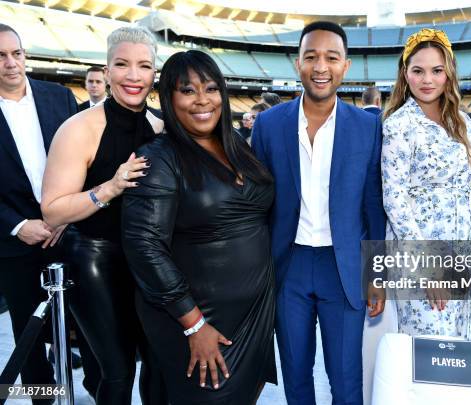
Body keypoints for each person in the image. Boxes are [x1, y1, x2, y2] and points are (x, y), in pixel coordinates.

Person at [122, 50, 276, 404]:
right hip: (199, 321)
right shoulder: (159, 158)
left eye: (210, 88)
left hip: (251, 319)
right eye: (187, 91)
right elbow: (144, 248)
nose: (202, 100)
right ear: (169, 99)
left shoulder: (237, 145)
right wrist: (194, 324)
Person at [251, 21, 386, 405]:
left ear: (345, 66)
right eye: (311, 57)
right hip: (287, 266)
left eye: (331, 57)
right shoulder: (268, 124)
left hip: (343, 269)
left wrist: (375, 274)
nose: (320, 66)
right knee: (295, 375)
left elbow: (373, 206)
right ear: (298, 64)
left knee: (345, 380)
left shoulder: (367, 127)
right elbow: (258, 205)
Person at [41, 27, 165, 404]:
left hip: (148, 261)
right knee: (118, 370)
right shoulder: (78, 129)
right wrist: (108, 189)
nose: (133, 75)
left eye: (143, 66)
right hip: (94, 259)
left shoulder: (161, 127)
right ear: (106, 71)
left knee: (160, 366)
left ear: (154, 74)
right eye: (122, 64)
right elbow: (53, 208)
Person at [382, 28, 471, 339]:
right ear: (405, 74)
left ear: (448, 73)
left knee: (462, 341)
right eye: (418, 70)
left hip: (463, 250)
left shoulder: (462, 121)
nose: (427, 80)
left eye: (437, 71)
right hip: (423, 257)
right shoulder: (399, 125)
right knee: (430, 348)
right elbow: (394, 199)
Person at [0, 24, 77, 405]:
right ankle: (43, 400)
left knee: (81, 329)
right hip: (16, 243)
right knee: (28, 337)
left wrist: (65, 215)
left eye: (16, 53)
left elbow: (86, 162)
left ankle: (89, 390)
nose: (11, 63)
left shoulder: (59, 97)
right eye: (0, 56)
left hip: (71, 234)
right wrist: (17, 226)